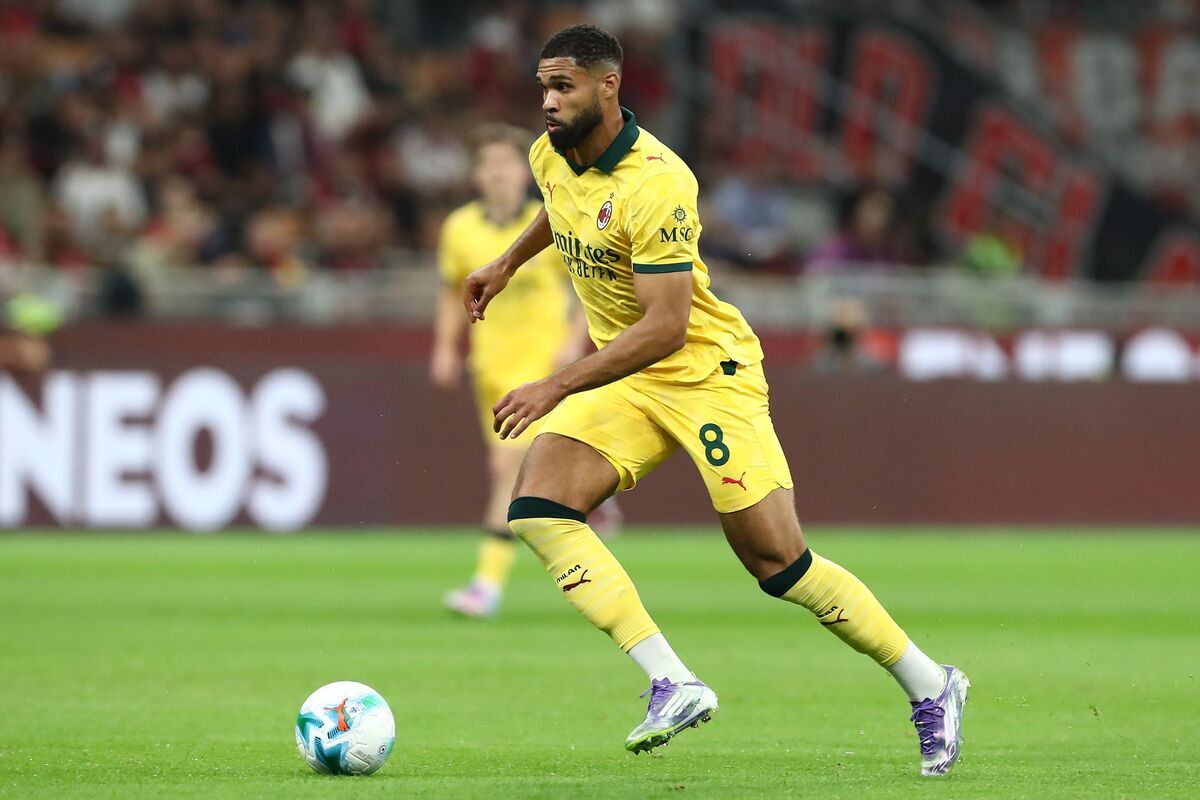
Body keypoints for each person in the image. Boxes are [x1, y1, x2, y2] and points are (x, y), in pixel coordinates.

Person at [462, 24, 969, 776]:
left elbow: (666, 328)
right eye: (543, 85)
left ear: (609, 87)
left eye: (562, 86)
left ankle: (932, 684)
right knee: (538, 507)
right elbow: (560, 207)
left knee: (776, 563)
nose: (547, 101)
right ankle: (671, 680)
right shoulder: (549, 153)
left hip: (704, 372)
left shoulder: (659, 182)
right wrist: (505, 263)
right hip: (630, 377)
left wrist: (556, 383)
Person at [434, 123, 619, 620]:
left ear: (526, 171)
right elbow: (454, 292)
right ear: (477, 175)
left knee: (506, 469)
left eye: (507, 163)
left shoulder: (551, 221)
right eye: (489, 164)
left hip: (540, 368)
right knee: (517, 473)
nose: (498, 174)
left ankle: (484, 587)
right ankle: (590, 492)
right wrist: (445, 348)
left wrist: (573, 337)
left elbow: (585, 283)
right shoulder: (459, 229)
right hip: (489, 366)